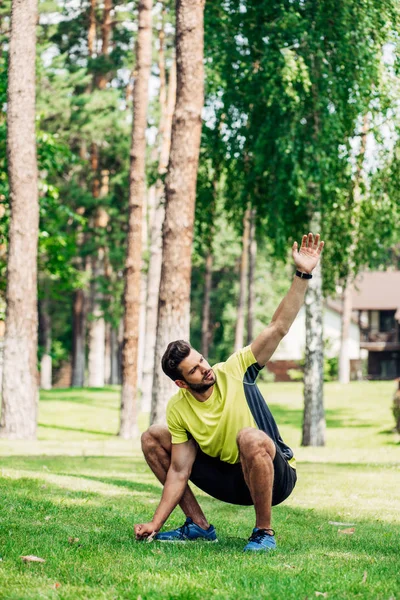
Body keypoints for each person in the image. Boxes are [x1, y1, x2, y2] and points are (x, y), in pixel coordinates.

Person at [134, 232, 324, 552]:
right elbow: (180, 471)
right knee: (152, 436)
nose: (204, 368)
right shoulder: (179, 408)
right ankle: (198, 526)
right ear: (182, 383)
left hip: (273, 478)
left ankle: (263, 532)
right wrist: (156, 522)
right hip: (229, 482)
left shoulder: (236, 369)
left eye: (201, 360)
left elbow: (278, 326)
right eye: (194, 370)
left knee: (249, 437)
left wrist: (303, 274)